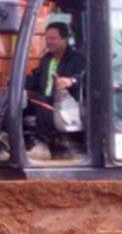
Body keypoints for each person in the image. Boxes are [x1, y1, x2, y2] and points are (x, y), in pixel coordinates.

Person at [26, 21, 86, 160]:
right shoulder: (47, 59)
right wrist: (15, 82)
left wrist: (71, 81)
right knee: (15, 101)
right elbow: (36, 80)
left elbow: (87, 77)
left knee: (42, 101)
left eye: (53, 38)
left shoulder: (77, 59)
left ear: (65, 39)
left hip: (65, 105)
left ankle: (42, 145)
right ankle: (4, 138)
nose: (49, 42)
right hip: (45, 102)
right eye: (47, 39)